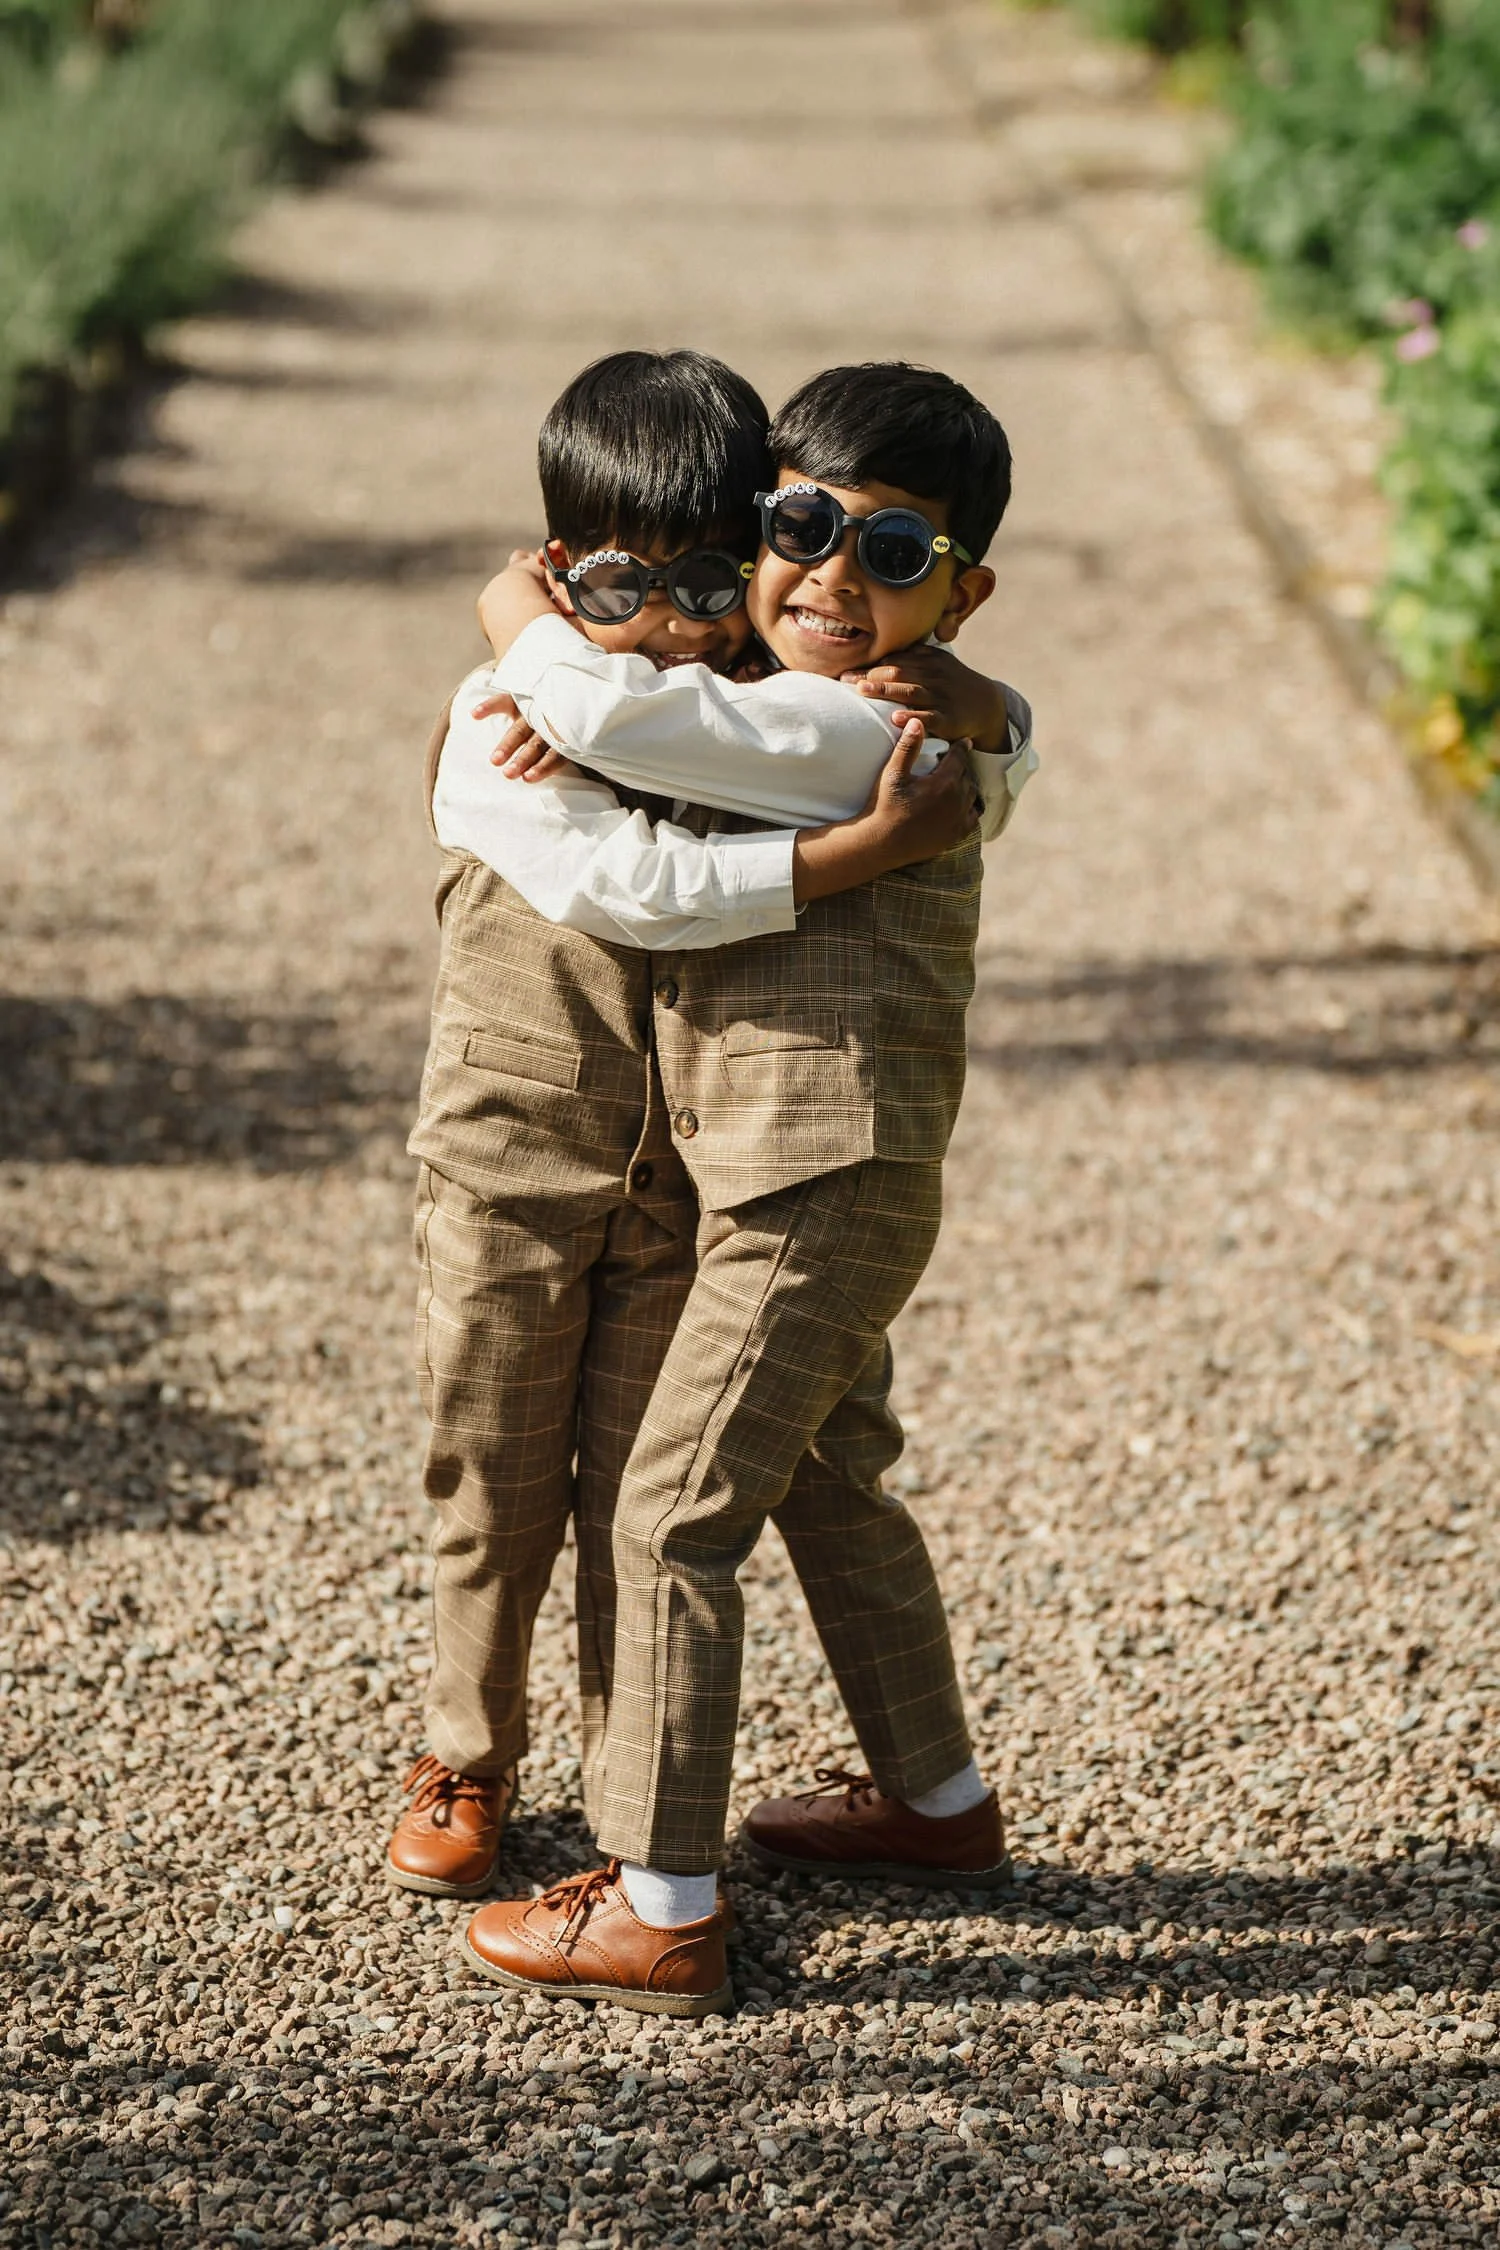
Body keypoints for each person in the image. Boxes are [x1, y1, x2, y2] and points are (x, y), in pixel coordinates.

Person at [459, 362, 1033, 2017]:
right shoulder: (865, 704)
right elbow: (666, 730)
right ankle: (936, 1802)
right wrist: (1005, 710)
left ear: (959, 593)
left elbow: (630, 727)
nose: (831, 576)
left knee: (671, 1509)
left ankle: (663, 1901)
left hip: (816, 1176)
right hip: (794, 1172)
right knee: (831, 1477)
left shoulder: (850, 726)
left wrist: (522, 618)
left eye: (893, 551)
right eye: (797, 527)